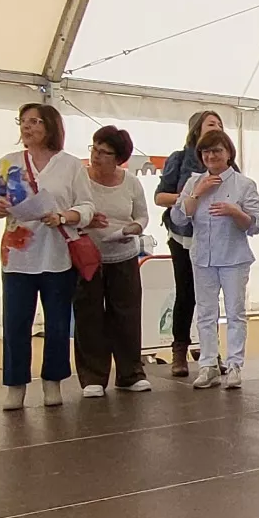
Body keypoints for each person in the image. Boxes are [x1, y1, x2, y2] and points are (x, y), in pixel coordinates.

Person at [0, 103, 95, 411]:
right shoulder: (8, 163)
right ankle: (15, 385)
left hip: (57, 253)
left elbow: (86, 206)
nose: (28, 127)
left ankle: (53, 381)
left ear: (50, 126)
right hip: (18, 256)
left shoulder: (71, 165)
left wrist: (64, 216)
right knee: (16, 322)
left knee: (58, 322)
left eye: (35, 121)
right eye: (23, 122)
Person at [170, 129, 259, 390]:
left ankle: (234, 365)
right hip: (202, 257)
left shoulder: (244, 184)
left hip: (234, 258)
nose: (211, 156)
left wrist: (236, 212)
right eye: (206, 152)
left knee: (235, 313)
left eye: (217, 151)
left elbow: (254, 226)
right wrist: (196, 193)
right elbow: (178, 219)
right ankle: (208, 364)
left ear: (228, 154)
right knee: (206, 312)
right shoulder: (193, 182)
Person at [74, 126, 151, 398]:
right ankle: (93, 377)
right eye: (94, 149)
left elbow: (142, 216)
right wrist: (86, 218)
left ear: (119, 158)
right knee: (89, 313)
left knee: (127, 314)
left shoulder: (130, 182)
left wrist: (134, 228)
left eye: (104, 152)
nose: (96, 156)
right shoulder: (79, 178)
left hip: (123, 253)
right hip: (87, 256)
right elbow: (69, 211)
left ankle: (130, 373)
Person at [155, 111, 226, 377]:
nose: (216, 127)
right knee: (186, 292)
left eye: (219, 125)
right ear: (196, 129)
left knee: (211, 296)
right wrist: (190, 196)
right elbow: (160, 196)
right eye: (210, 124)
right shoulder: (179, 158)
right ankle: (179, 350)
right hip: (183, 235)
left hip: (214, 237)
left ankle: (211, 351)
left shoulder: (228, 163)